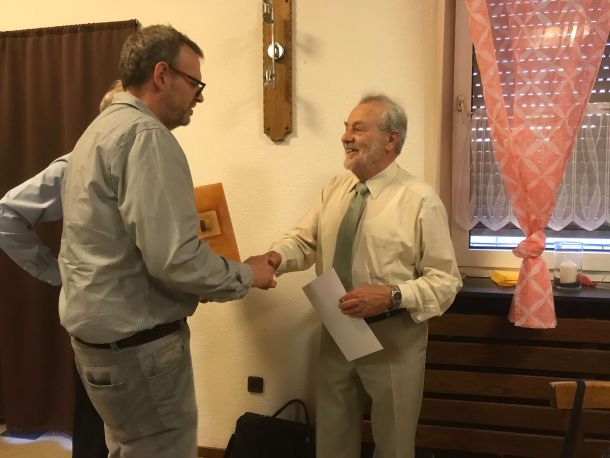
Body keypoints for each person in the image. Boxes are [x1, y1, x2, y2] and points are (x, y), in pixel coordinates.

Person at [58, 25, 276, 458]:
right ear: (162, 75)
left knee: (126, 447)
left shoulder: (97, 132)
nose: (199, 97)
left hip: (98, 346)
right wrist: (246, 275)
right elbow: (176, 260)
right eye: (195, 83)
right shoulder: (147, 137)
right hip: (140, 354)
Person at [266, 94, 462, 458]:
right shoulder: (334, 189)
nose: (345, 137)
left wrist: (391, 295)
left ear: (391, 139)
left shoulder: (420, 200)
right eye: (346, 128)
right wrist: (275, 257)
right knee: (332, 440)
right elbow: (304, 241)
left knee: (394, 445)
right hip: (336, 328)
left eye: (358, 128)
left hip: (394, 336)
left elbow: (446, 280)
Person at [0, 80, 123, 458]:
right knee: (93, 429)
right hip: (98, 326)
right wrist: (57, 273)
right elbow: (5, 216)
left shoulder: (149, 172)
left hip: (144, 330)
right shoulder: (74, 167)